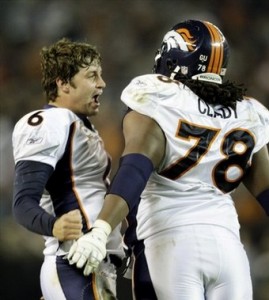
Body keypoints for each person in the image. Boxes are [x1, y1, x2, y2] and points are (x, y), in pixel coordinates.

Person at [67, 20, 269, 299]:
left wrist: (101, 230)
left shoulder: (159, 95)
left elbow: (136, 167)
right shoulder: (247, 111)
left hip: (171, 244)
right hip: (229, 250)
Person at [12, 38, 124, 300]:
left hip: (90, 264)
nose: (102, 83)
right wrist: (54, 226)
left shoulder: (79, 125)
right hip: (73, 263)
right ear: (63, 83)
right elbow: (22, 203)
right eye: (91, 75)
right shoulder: (50, 121)